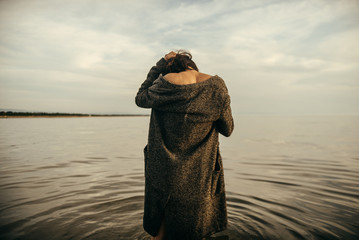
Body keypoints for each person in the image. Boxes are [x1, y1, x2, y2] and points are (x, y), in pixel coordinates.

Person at [135, 50, 234, 240]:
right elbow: (227, 129)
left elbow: (140, 98)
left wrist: (160, 65)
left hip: (164, 171)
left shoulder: (162, 84)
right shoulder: (216, 86)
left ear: (170, 68)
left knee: (160, 227)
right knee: (198, 227)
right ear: (192, 65)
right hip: (200, 172)